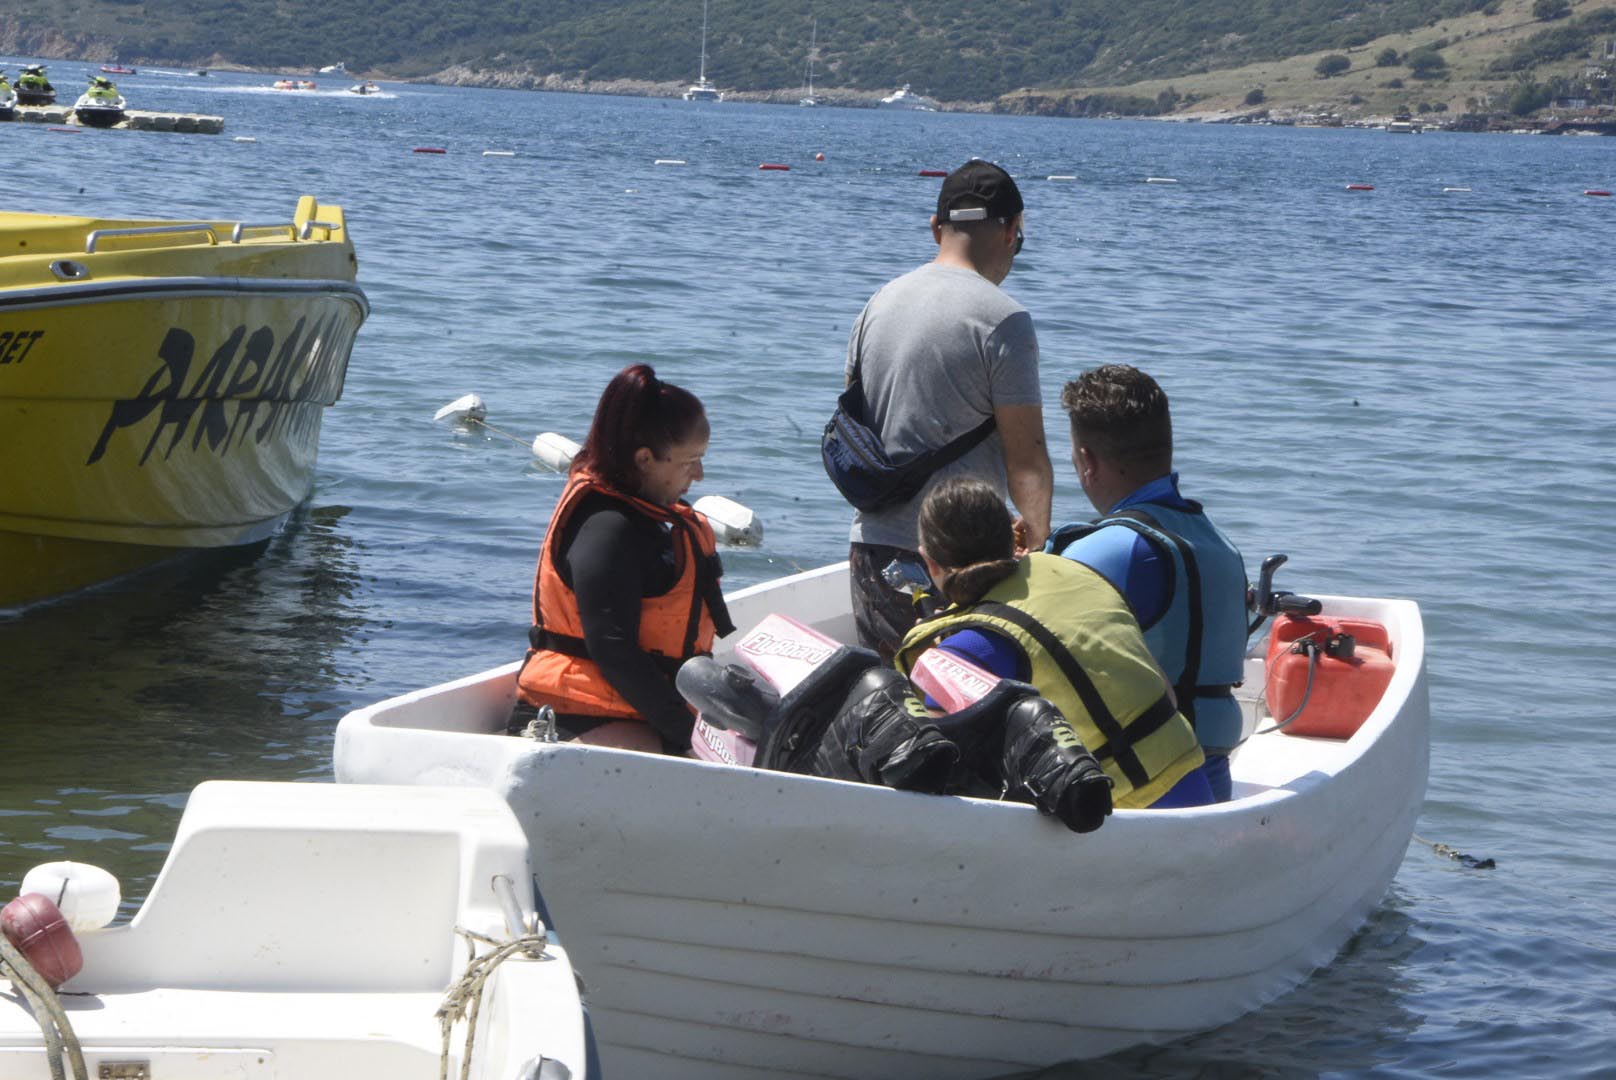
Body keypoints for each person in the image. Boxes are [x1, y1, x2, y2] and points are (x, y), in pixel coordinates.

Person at [842, 158, 1053, 662]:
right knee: (964, 716)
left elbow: (854, 427)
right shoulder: (1004, 320)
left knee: (898, 714)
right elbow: (1027, 460)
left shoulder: (878, 303)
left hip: (871, 553)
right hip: (961, 566)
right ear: (1011, 230)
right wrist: (1036, 537)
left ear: (937, 228)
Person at [894, 478, 1211, 809]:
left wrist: (939, 660)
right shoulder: (1070, 572)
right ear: (1013, 534)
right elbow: (1168, 697)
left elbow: (935, 773)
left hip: (1119, 815)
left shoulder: (962, 653)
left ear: (929, 562)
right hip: (1195, 785)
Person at [1045, 366, 1249, 801]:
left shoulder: (1110, 550)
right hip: (1212, 772)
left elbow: (1021, 631)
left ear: (1087, 461)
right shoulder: (1219, 545)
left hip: (1142, 781)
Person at [512, 364, 734, 754]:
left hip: (636, 713)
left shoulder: (649, 518)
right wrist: (693, 738)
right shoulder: (606, 528)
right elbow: (613, 650)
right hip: (576, 717)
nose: (698, 474)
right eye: (688, 461)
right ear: (645, 458)